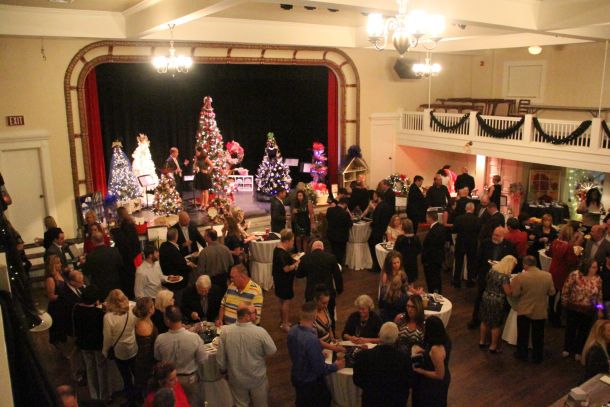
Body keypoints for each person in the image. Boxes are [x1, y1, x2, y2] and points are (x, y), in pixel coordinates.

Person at [217, 302, 277, 407]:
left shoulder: (225, 331)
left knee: (240, 404)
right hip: (257, 377)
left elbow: (220, 359)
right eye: (254, 312)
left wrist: (223, 371)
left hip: (236, 378)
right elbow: (272, 350)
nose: (256, 315)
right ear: (246, 316)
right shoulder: (260, 332)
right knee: (261, 404)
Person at [287, 301, 344, 407]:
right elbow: (320, 369)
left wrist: (318, 354)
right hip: (311, 383)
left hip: (297, 377)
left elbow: (299, 354)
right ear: (315, 316)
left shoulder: (292, 331)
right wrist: (336, 366)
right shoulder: (311, 339)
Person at [154, 305, 208, 406]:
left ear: (167, 320)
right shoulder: (194, 338)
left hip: (169, 381)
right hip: (190, 379)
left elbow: (158, 358)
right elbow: (203, 359)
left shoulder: (160, 339)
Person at [468, 226, 517, 329]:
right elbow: (479, 258)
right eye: (494, 234)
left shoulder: (509, 246)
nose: (494, 237)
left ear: (503, 236)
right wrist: (474, 274)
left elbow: (513, 262)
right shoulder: (485, 243)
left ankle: (495, 322)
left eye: (497, 235)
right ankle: (475, 319)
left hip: (500, 279)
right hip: (485, 275)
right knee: (480, 297)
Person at [353, 322, 411, 407]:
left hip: (371, 400)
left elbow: (357, 380)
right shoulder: (404, 358)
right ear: (397, 338)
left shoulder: (363, 356)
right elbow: (408, 382)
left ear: (379, 335)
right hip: (396, 401)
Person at [511, 256, 556, 363]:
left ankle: (522, 354)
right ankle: (537, 356)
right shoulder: (547, 276)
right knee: (538, 336)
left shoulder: (521, 277)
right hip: (540, 310)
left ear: (525, 265)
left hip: (524, 309)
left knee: (523, 335)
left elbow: (515, 294)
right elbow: (552, 292)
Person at [562, 259, 603, 360]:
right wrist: (564, 302)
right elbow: (566, 289)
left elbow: (599, 296)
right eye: (593, 267)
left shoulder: (597, 279)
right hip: (573, 307)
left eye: (596, 267)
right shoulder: (575, 275)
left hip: (588, 310)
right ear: (587, 267)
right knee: (571, 329)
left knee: (583, 331)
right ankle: (567, 348)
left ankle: (578, 350)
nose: (596, 269)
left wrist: (599, 309)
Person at [73, 285, 109, 402]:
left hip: (84, 344)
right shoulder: (99, 313)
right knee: (101, 369)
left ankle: (94, 394)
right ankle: (103, 395)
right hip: (97, 345)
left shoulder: (76, 309)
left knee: (89, 368)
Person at [102, 289, 138, 406]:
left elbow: (108, 337)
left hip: (120, 350)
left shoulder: (108, 317)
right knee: (136, 373)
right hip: (133, 345)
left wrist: (105, 351)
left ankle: (131, 401)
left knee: (126, 377)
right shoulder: (133, 308)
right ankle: (140, 396)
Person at [297, 240, 343, 326]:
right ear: (322, 248)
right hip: (327, 292)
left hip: (312, 292)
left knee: (311, 315)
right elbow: (337, 276)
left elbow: (299, 274)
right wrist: (339, 290)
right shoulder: (331, 257)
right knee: (330, 315)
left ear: (312, 249)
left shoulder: (305, 258)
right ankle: (331, 331)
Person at [479, 255, 517, 353]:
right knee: (496, 324)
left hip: (486, 296)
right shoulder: (504, 277)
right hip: (497, 300)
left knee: (484, 320)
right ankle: (493, 346)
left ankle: (482, 341)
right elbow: (508, 292)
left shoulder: (492, 271)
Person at [412, 316, 451, 407]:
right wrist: (424, 351)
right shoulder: (445, 338)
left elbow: (439, 375)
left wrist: (421, 371)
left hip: (434, 384)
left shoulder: (435, 349)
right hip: (441, 377)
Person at [547, 225, 580, 326]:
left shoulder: (555, 242)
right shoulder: (569, 246)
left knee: (552, 294)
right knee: (562, 295)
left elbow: (549, 253)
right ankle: (557, 317)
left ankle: (550, 313)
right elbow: (572, 261)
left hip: (553, 270)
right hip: (563, 272)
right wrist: (577, 254)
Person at [83, 231, 124, 300]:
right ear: (103, 239)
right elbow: (120, 265)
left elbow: (86, 272)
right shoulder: (114, 251)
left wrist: (83, 264)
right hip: (114, 284)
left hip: (99, 287)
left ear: (93, 241)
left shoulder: (91, 256)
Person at [272, 229, 299, 332]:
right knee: (286, 302)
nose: (293, 243)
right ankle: (285, 324)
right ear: (287, 241)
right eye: (292, 241)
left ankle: (283, 321)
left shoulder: (277, 249)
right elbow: (286, 269)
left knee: (281, 300)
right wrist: (296, 264)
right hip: (284, 280)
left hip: (278, 279)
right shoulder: (282, 254)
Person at [111, 207, 141, 298]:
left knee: (128, 280)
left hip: (127, 258)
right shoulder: (130, 224)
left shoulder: (124, 227)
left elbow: (124, 244)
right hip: (134, 256)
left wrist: (115, 231)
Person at [133, 297, 158, 399]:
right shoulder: (144, 327)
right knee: (146, 390)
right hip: (145, 364)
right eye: (153, 306)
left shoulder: (145, 321)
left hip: (145, 362)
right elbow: (145, 352)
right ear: (150, 309)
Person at [312, 285, 346, 353]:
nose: (326, 305)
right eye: (323, 303)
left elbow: (329, 327)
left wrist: (333, 339)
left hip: (329, 346)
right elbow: (315, 341)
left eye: (327, 302)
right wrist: (334, 348)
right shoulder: (312, 316)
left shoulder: (324, 309)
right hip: (320, 350)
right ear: (315, 300)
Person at [452, 202, 478, 288]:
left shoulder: (458, 218)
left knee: (458, 263)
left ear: (465, 208)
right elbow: (479, 232)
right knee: (471, 263)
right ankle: (470, 281)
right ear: (473, 209)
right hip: (472, 244)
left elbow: (454, 230)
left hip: (460, 243)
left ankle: (456, 281)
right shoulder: (477, 219)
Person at [45, 254, 67, 345]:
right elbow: (51, 296)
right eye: (58, 263)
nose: (61, 264)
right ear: (52, 265)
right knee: (57, 329)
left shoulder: (60, 274)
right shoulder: (50, 279)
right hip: (56, 307)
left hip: (62, 305)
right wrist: (64, 296)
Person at [422, 210, 446, 293]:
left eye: (426, 217)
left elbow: (430, 247)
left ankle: (432, 294)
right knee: (437, 278)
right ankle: (438, 293)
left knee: (431, 281)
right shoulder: (441, 227)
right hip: (438, 258)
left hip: (431, 260)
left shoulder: (434, 230)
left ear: (430, 218)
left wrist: (426, 260)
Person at [369, 193, 393, 273]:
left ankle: (376, 267)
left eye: (374, 196)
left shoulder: (379, 206)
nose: (373, 197)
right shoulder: (387, 205)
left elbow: (376, 220)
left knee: (375, 248)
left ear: (378, 197)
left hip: (377, 231)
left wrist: (371, 224)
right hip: (384, 230)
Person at [325, 197, 353, 266]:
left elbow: (327, 218)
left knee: (333, 251)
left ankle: (332, 265)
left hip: (331, 235)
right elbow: (350, 224)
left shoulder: (329, 210)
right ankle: (338, 267)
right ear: (345, 204)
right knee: (340, 254)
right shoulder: (345, 213)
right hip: (341, 237)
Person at [394, 218, 422, 284]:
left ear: (403, 227)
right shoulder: (416, 238)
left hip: (403, 263)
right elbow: (419, 250)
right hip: (413, 262)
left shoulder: (400, 239)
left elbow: (395, 251)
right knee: (411, 281)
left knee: (403, 281)